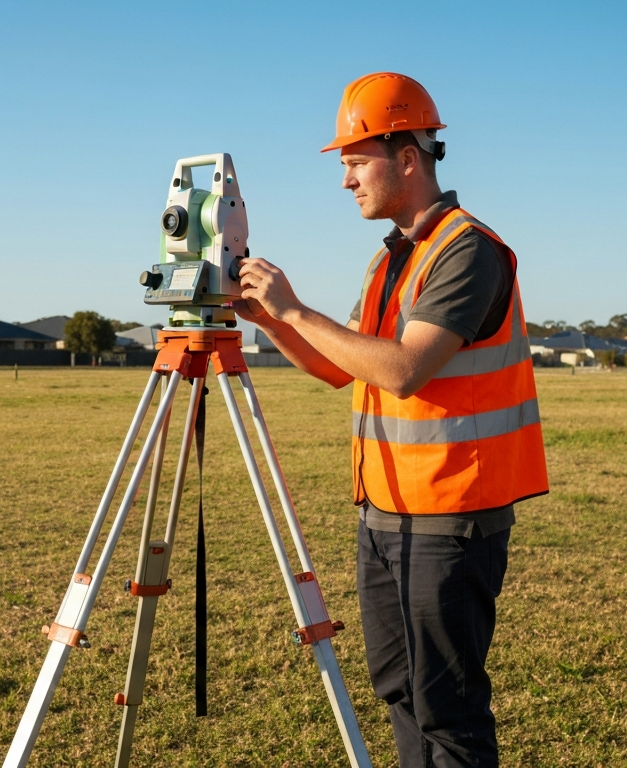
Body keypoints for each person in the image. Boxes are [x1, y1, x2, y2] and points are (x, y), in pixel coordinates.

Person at [235, 72, 549, 767]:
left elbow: (406, 370)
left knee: (448, 710)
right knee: (402, 692)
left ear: (407, 156)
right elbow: (340, 365)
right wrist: (266, 319)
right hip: (385, 513)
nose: (345, 180)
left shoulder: (466, 250)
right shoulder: (393, 260)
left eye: (355, 161)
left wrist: (295, 310)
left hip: (450, 518)